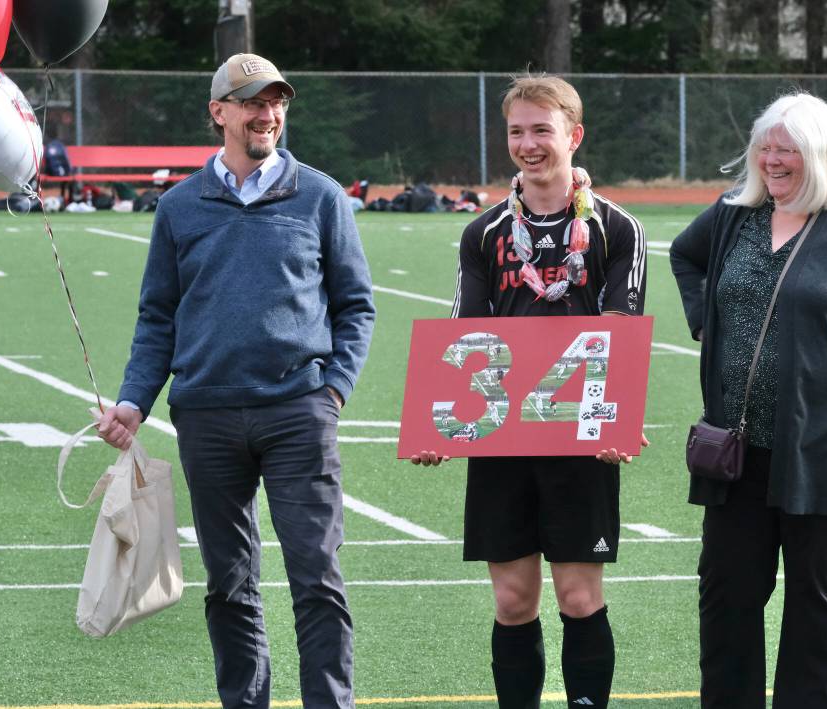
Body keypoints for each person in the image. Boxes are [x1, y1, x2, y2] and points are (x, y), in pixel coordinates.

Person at [96, 53, 375, 709]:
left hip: (298, 411)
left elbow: (356, 305)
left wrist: (333, 389)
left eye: (276, 101)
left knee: (317, 576)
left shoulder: (321, 196)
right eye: (252, 101)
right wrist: (135, 400)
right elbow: (158, 314)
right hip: (208, 415)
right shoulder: (179, 206)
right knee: (229, 582)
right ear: (219, 111)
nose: (267, 114)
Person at [668, 93, 827, 709]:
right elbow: (685, 255)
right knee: (726, 598)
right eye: (766, 146)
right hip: (735, 452)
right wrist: (707, 321)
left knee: (819, 607)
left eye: (788, 149)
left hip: (826, 451)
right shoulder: (734, 214)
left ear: (819, 153)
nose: (772, 160)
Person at [413, 75, 648, 709]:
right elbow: (464, 335)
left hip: (579, 437)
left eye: (542, 130)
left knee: (579, 597)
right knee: (514, 601)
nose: (528, 144)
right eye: (517, 132)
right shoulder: (483, 232)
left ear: (574, 136)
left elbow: (619, 334)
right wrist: (440, 427)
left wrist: (616, 423)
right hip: (504, 439)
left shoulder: (617, 229)